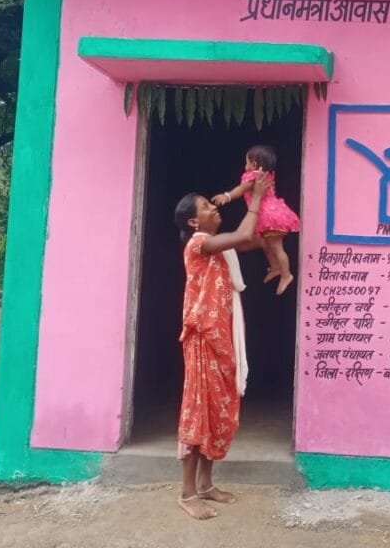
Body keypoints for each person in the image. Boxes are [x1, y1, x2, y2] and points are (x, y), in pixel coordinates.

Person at [173, 173, 271, 520]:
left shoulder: (219, 246)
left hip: (220, 336)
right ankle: (187, 493)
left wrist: (273, 219)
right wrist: (255, 199)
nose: (213, 208)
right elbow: (243, 235)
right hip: (203, 337)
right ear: (192, 221)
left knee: (217, 410)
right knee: (199, 411)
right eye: (205, 207)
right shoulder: (198, 244)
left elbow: (251, 239)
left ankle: (205, 484)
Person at [213, 144, 300, 296]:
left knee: (277, 248)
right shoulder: (268, 175)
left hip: (269, 217)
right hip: (277, 213)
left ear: (254, 164)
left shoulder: (252, 176)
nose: (245, 166)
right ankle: (275, 267)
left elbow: (241, 190)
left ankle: (286, 275)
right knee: (267, 243)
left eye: (246, 162)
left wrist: (227, 196)